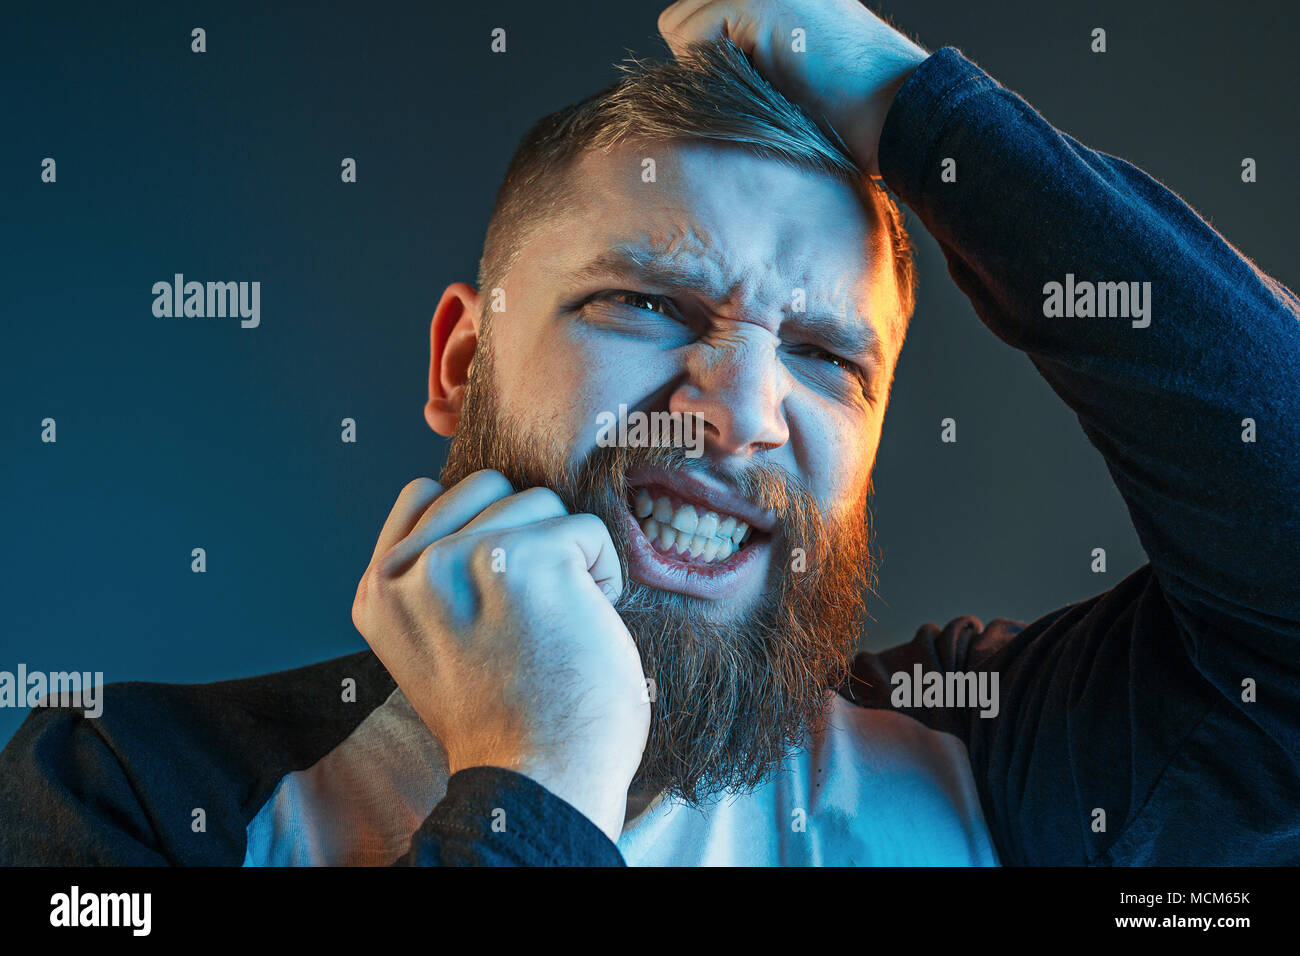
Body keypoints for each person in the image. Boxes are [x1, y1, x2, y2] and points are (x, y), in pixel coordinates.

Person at [2, 0, 1296, 866]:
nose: (739, 411)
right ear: (461, 363)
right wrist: (538, 782)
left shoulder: (1006, 768)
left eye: (824, 356)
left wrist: (915, 106)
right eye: (644, 301)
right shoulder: (124, 793)